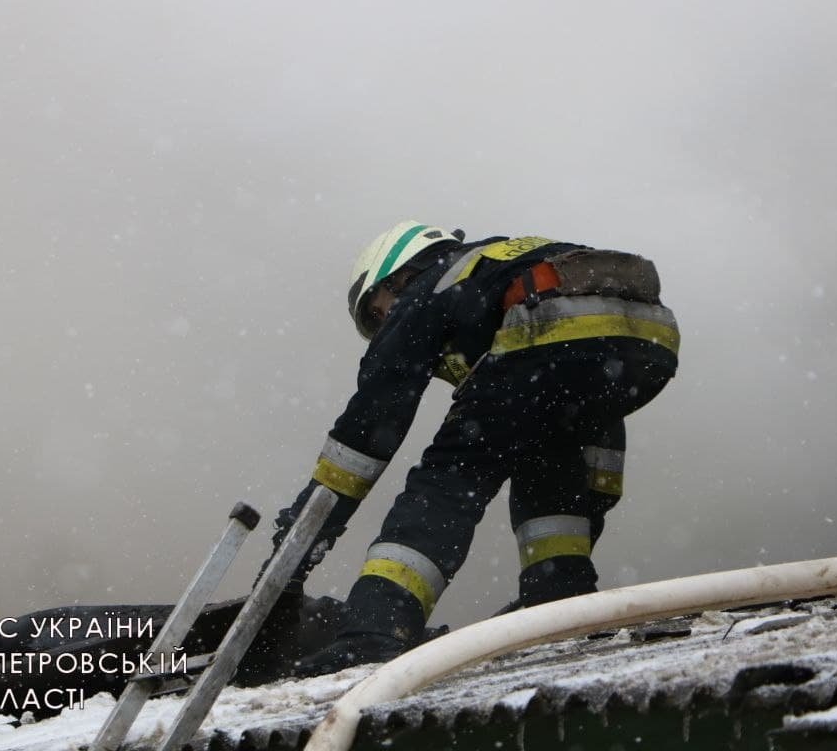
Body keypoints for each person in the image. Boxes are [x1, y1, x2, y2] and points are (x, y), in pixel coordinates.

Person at [266, 222, 680, 676]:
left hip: (546, 330)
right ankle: (560, 604)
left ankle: (375, 630)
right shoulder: (493, 264)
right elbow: (594, 461)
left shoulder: (429, 283)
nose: (384, 323)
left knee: (446, 481)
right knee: (550, 467)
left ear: (393, 275)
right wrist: (592, 493)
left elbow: (366, 432)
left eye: (377, 312)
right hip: (648, 340)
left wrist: (297, 545)